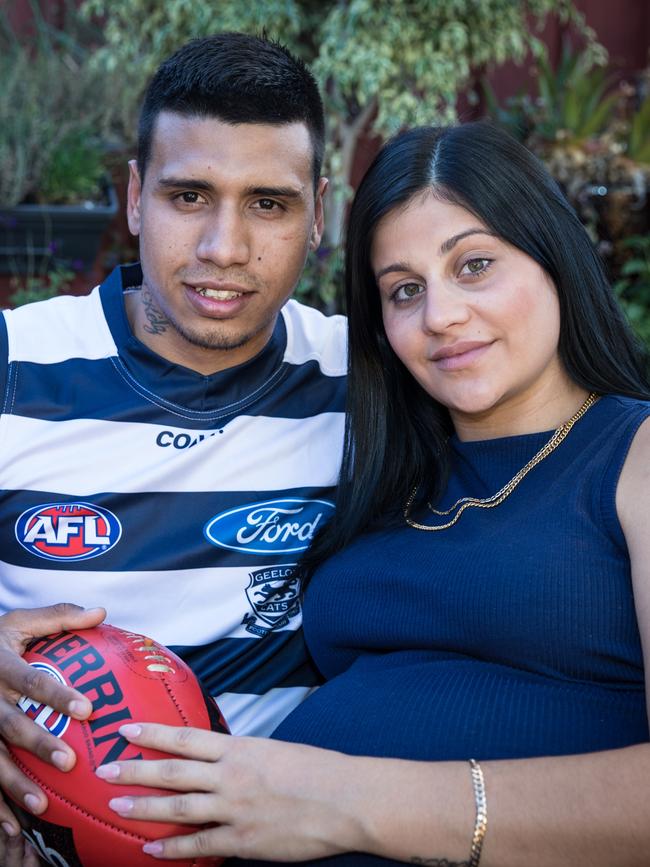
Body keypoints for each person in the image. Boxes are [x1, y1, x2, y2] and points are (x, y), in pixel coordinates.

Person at [93, 122, 650, 867]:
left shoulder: (632, 455)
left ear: (555, 256)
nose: (440, 316)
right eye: (404, 290)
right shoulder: (379, 461)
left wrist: (346, 801)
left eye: (475, 265)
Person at [0, 32, 347, 865]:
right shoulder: (15, 365)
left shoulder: (370, 380)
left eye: (269, 203)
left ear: (319, 215)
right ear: (132, 197)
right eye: (189, 196)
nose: (224, 247)